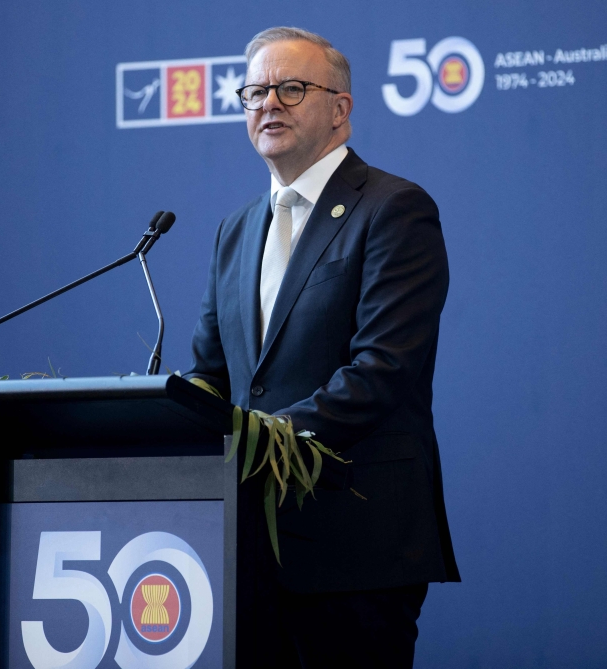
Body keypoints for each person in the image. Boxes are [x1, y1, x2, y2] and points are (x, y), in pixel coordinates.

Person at [186, 26, 459, 668]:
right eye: (254, 91)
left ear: (341, 110)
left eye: (290, 88)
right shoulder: (236, 230)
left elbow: (381, 369)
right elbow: (212, 377)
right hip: (244, 550)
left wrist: (262, 436)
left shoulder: (394, 209)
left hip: (353, 545)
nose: (267, 104)